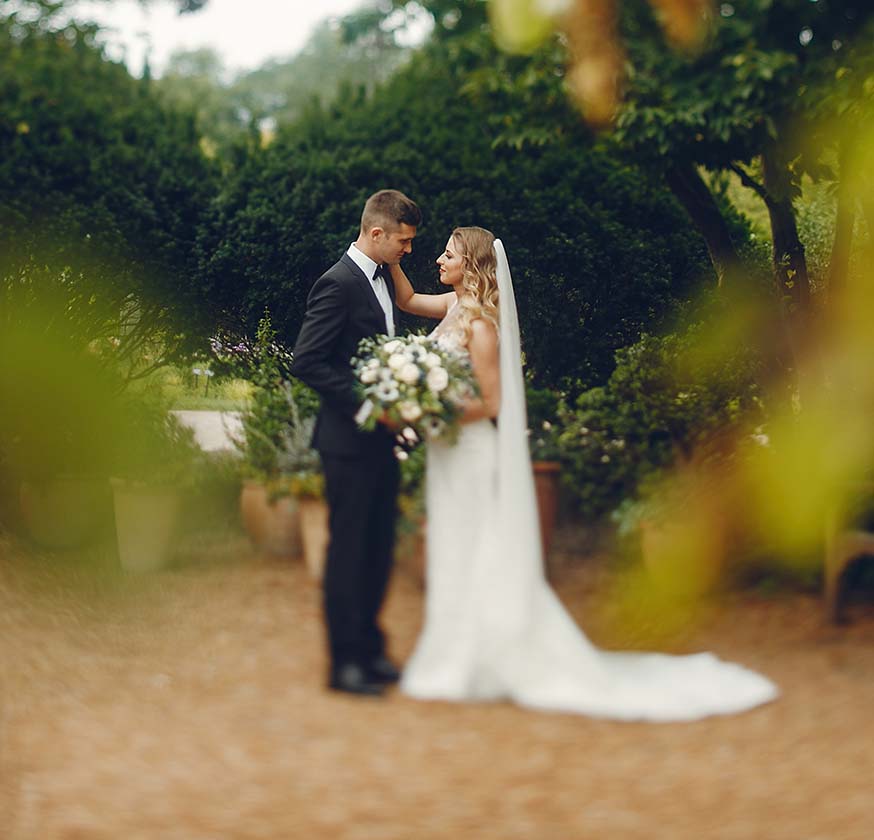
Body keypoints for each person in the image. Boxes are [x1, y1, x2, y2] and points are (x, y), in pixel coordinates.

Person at [389, 226, 779, 720]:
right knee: (453, 544)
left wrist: (434, 410)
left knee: (480, 546)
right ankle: (456, 654)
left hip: (471, 453)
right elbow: (404, 301)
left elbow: (494, 402)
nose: (439, 260)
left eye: (448, 254)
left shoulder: (482, 326)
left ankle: (484, 659)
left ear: (472, 266)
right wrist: (393, 255)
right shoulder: (451, 310)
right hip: (448, 457)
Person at [290, 189, 421, 697]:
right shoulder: (338, 283)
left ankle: (370, 648)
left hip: (381, 444)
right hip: (347, 442)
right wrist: (368, 408)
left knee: (378, 548)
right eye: (403, 242)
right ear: (376, 234)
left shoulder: (386, 277)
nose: (408, 250)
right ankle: (344, 664)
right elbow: (308, 361)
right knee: (348, 552)